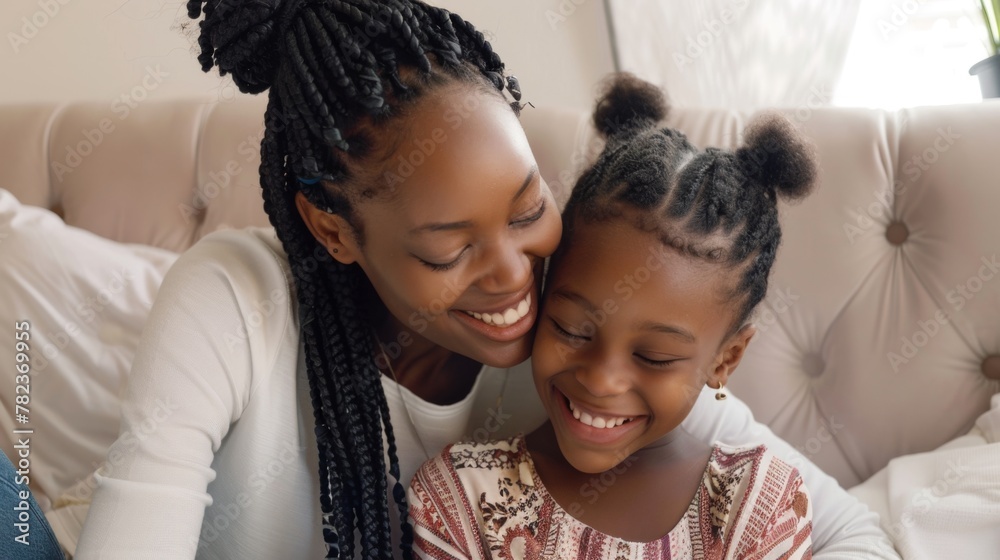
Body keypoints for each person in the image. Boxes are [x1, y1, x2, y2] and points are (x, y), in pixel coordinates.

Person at [67, 1, 898, 559]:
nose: (514, 278)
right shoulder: (234, 300)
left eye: (528, 206)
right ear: (333, 230)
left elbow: (849, 530)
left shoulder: (583, 343)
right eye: (446, 251)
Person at [407, 75, 814, 559]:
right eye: (572, 329)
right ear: (543, 293)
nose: (600, 380)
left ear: (726, 359)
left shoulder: (756, 507)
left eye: (654, 356)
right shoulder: (458, 500)